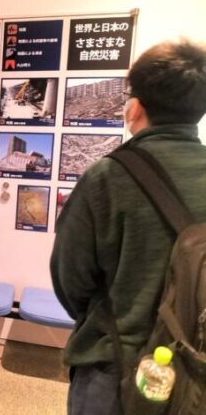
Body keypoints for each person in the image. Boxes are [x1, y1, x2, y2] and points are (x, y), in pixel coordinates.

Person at [50, 39, 206, 415]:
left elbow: (70, 280)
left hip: (115, 366)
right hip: (195, 367)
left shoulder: (107, 177)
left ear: (134, 107)